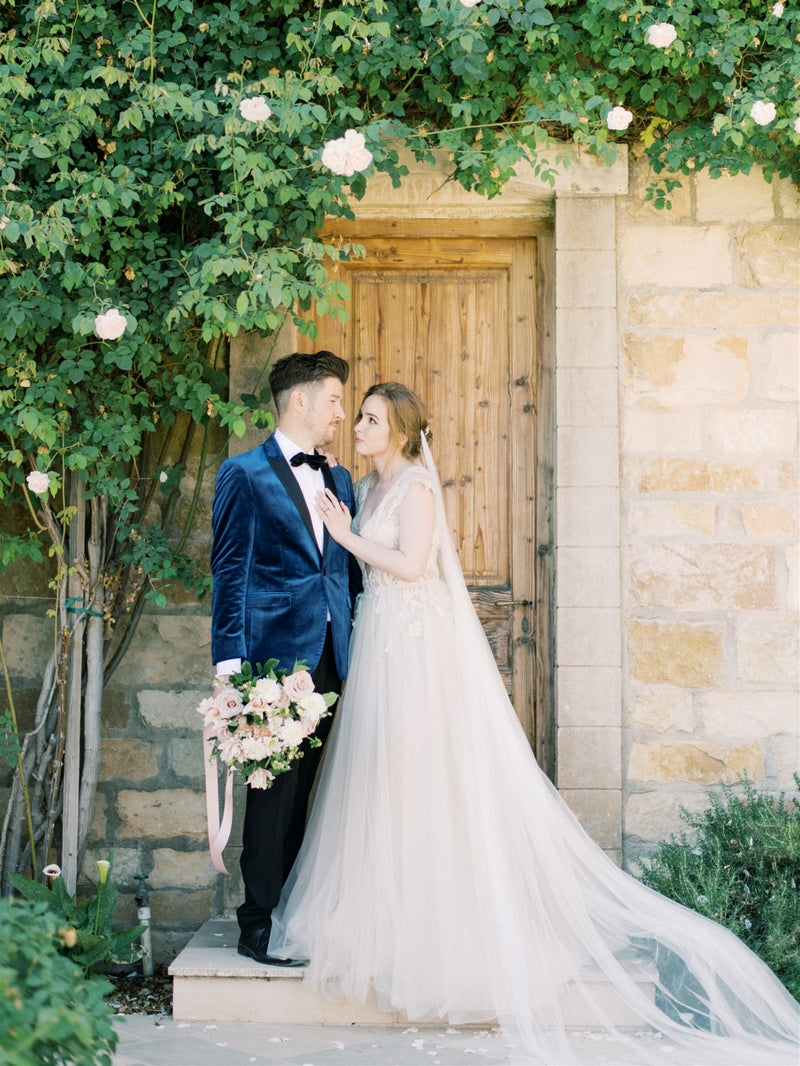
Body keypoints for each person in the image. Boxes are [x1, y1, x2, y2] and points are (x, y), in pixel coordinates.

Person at [268, 382, 800, 1064]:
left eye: (371, 419)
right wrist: (343, 531)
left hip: (416, 656)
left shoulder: (415, 490)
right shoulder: (365, 489)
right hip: (379, 646)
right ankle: (384, 923)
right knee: (381, 783)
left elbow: (412, 565)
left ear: (400, 432)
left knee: (421, 778)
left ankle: (439, 933)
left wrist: (345, 537)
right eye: (360, 417)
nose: (360, 427)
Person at [210, 350, 361, 966]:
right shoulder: (242, 474)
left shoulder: (340, 478)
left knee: (310, 796)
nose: (340, 413)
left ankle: (296, 914)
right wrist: (231, 672)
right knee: (272, 794)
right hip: (272, 665)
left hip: (333, 656)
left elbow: (345, 571)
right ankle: (256, 924)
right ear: (300, 401)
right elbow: (229, 577)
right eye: (333, 400)